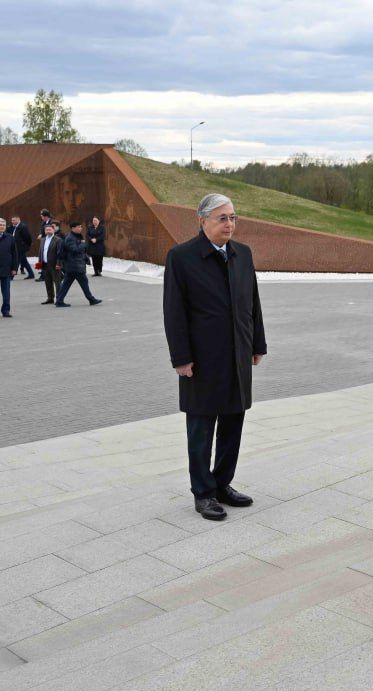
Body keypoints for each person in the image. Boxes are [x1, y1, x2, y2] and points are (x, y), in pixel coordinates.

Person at [163, 193, 267, 521]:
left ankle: (223, 484)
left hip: (237, 354)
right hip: (202, 360)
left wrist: (257, 345)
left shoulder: (243, 254)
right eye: (222, 218)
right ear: (203, 220)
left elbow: (253, 302)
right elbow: (174, 312)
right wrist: (181, 357)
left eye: (233, 217)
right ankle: (203, 492)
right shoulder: (181, 257)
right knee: (201, 427)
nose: (230, 224)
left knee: (233, 422)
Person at [56, 221, 103, 307]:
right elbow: (75, 250)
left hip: (74, 265)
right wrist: (83, 244)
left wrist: (85, 258)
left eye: (81, 226)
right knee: (84, 282)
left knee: (66, 284)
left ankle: (59, 300)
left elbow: (79, 251)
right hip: (75, 266)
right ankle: (91, 299)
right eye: (78, 227)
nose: (80, 228)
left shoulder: (75, 237)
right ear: (73, 228)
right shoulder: (70, 238)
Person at [39, 221, 64, 305]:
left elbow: (60, 253)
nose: (48, 231)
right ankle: (50, 298)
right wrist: (39, 264)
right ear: (44, 231)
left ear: (53, 230)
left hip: (54, 265)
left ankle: (59, 299)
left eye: (50, 229)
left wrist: (59, 264)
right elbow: (40, 252)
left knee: (57, 282)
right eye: (46, 230)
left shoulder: (58, 240)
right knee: (48, 282)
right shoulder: (42, 240)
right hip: (45, 264)